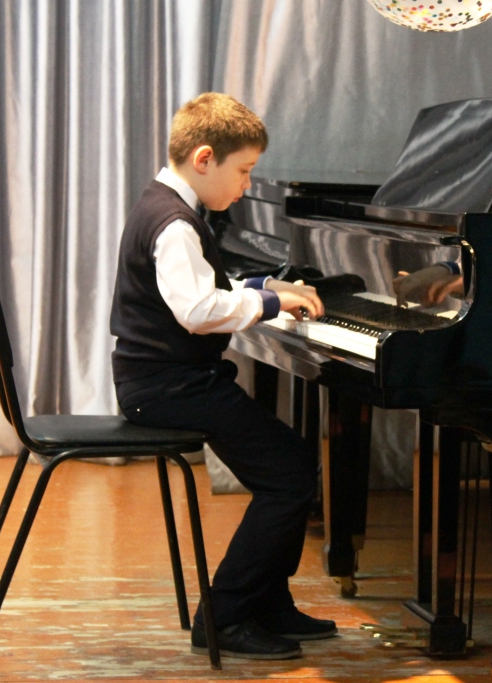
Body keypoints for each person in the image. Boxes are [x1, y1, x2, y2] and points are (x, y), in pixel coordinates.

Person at [109, 92, 334, 661]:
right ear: (205, 159)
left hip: (169, 381)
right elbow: (197, 310)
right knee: (289, 471)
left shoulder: (166, 205)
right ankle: (226, 615)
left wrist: (265, 287)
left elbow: (205, 290)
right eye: (244, 171)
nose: (246, 185)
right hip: (167, 388)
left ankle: (268, 602)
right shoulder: (174, 224)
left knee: (292, 462)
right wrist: (271, 304)